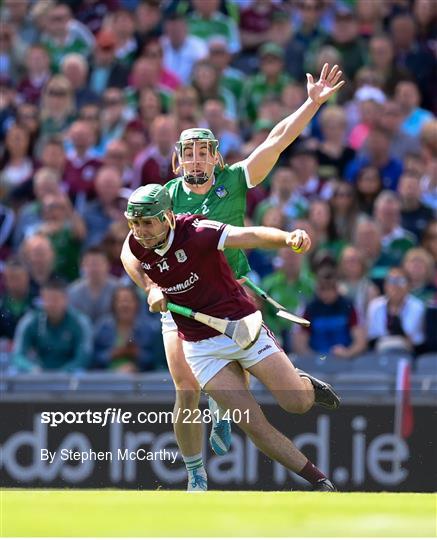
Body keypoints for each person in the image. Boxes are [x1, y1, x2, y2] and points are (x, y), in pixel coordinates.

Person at [130, 63, 345, 491]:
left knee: (260, 387)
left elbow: (278, 139)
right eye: (187, 153)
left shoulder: (233, 179)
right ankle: (196, 474)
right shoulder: (160, 200)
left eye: (203, 151)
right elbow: (129, 251)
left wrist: (311, 103)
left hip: (232, 296)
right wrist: (151, 287)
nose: (195, 159)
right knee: (186, 388)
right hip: (181, 304)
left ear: (215, 157)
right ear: (177, 161)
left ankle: (229, 407)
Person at [121, 183, 339, 493]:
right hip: (201, 348)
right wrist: (148, 287)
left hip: (242, 327)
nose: (141, 231)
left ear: (167, 216)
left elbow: (248, 236)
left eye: (147, 223)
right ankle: (319, 480)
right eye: (135, 223)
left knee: (297, 403)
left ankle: (303, 383)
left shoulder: (197, 231)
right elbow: (128, 255)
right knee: (253, 424)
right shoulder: (136, 242)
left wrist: (287, 238)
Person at [12, 278, 92, 372]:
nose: (51, 304)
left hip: (71, 377)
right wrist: (31, 368)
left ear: (66, 299)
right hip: (39, 375)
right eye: (47, 299)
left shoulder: (80, 322)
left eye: (56, 299)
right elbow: (17, 355)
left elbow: (84, 357)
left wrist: (64, 372)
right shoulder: (30, 321)